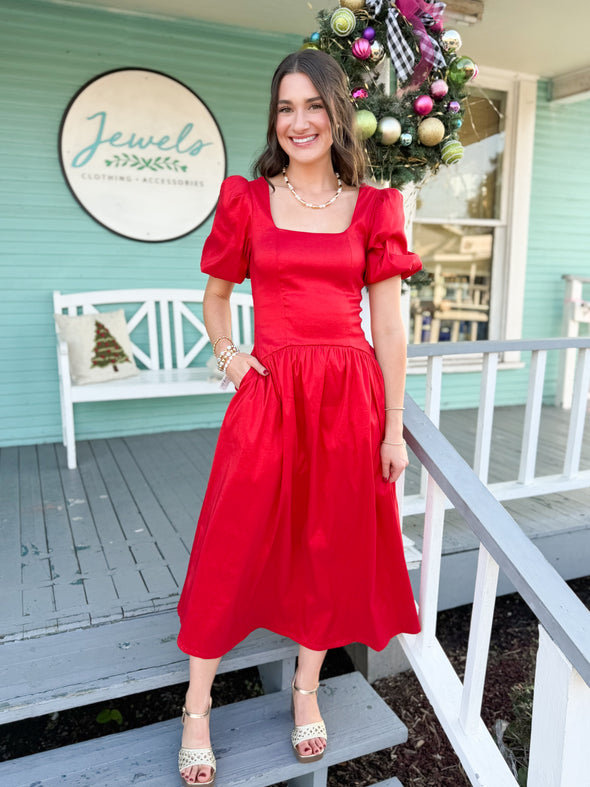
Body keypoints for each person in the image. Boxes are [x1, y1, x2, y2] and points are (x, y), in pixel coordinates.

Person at [176, 49, 422, 786]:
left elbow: (390, 324)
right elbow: (216, 298)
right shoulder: (247, 201)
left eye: (313, 105)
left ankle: (306, 688)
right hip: (272, 393)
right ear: (274, 119)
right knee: (233, 538)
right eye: (286, 107)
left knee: (326, 544)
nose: (299, 121)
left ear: (338, 112)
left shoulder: (376, 207)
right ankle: (197, 703)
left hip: (349, 401)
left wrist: (393, 423)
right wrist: (230, 359)